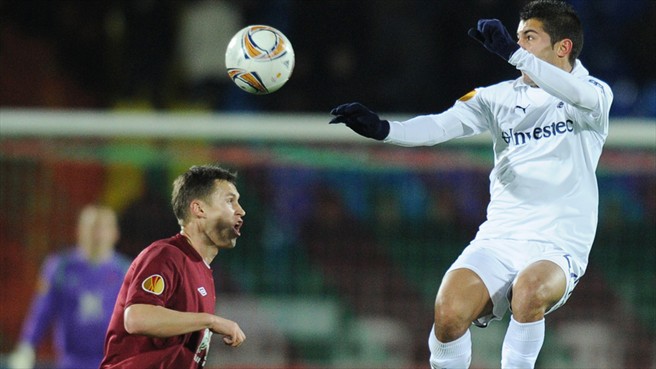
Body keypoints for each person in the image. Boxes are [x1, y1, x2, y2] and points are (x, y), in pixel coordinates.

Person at [329, 1, 613, 368]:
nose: (519, 46)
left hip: (558, 245)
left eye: (530, 37)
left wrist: (515, 55)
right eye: (517, 39)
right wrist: (385, 130)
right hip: (499, 238)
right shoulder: (498, 98)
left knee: (528, 292)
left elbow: (577, 94)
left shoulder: (593, 95)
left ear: (563, 47)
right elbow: (440, 125)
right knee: (448, 313)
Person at [100, 164, 246, 369]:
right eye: (230, 201)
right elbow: (136, 318)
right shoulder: (166, 255)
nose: (241, 210)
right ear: (199, 209)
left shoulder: (203, 272)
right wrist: (209, 321)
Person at [7, 205, 130, 369]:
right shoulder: (59, 267)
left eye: (104, 227)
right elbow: (41, 310)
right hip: (71, 362)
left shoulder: (128, 271)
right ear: (79, 230)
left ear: (115, 233)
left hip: (114, 362)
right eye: (93, 227)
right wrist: (26, 347)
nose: (97, 234)